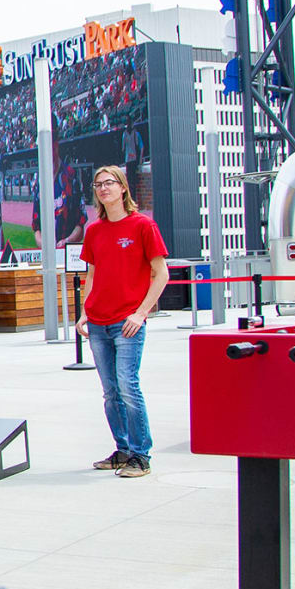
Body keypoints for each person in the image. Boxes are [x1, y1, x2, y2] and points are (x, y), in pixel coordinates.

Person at [75, 164, 167, 478]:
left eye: (109, 183)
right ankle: (123, 449)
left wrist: (141, 313)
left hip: (127, 322)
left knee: (129, 387)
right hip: (98, 322)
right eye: (98, 184)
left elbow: (162, 274)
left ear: (123, 187)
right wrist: (85, 312)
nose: (103, 189)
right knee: (110, 392)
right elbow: (92, 274)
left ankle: (141, 455)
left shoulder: (142, 226)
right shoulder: (95, 230)